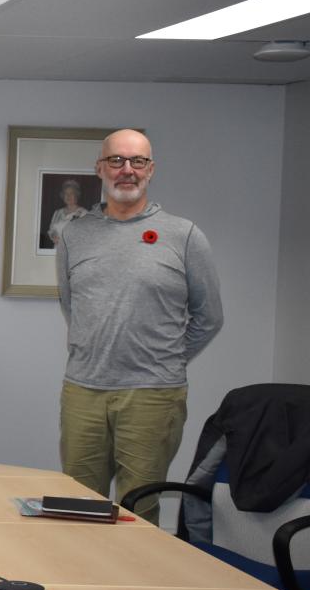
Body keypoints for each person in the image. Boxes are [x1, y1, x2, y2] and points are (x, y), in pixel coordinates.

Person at [56, 129, 222, 522]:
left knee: (139, 511)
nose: (127, 170)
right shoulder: (74, 234)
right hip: (83, 391)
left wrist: (166, 357)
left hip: (153, 395)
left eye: (138, 161)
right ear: (100, 168)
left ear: (151, 169)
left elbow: (209, 317)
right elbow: (71, 305)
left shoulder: (184, 235)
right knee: (77, 508)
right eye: (116, 160)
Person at [46, 178, 89, 246]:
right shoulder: (57, 212)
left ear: (76, 195)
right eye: (66, 193)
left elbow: (87, 234)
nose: (68, 196)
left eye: (71, 193)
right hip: (57, 248)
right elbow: (51, 230)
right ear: (63, 196)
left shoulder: (84, 213)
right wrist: (53, 236)